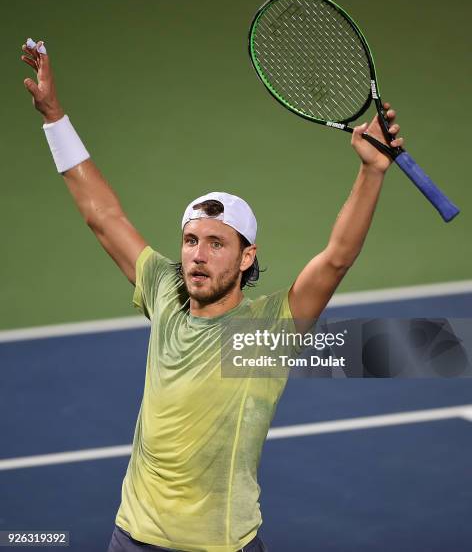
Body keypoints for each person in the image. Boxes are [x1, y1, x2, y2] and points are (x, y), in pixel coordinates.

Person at [21, 38, 403, 552]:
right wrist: (54, 117)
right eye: (191, 240)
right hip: (131, 536)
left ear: (246, 258)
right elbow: (102, 215)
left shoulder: (268, 331)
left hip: (221, 545)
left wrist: (371, 170)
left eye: (217, 244)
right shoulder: (163, 290)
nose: (198, 255)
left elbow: (336, 258)